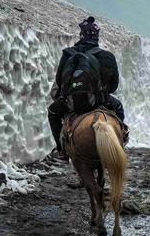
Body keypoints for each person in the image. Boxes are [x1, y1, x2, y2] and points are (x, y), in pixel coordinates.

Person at [47, 16, 124, 156]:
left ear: (82, 35)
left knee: (52, 112)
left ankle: (61, 151)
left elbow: (59, 82)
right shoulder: (108, 57)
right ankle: (120, 142)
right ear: (97, 37)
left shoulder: (68, 54)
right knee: (118, 108)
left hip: (71, 103)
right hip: (100, 101)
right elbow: (114, 86)